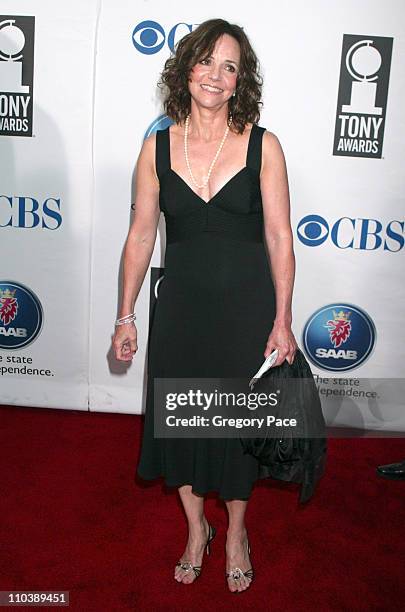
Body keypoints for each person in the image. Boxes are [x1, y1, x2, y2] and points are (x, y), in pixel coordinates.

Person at [113, 18, 298, 593]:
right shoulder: (156, 147)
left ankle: (236, 532)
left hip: (246, 313)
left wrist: (283, 319)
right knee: (185, 425)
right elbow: (142, 234)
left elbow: (279, 235)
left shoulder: (264, 144)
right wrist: (125, 314)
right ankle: (197, 531)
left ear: (241, 81)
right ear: (185, 68)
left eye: (230, 66)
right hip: (183, 314)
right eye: (206, 61)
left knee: (236, 430)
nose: (216, 75)